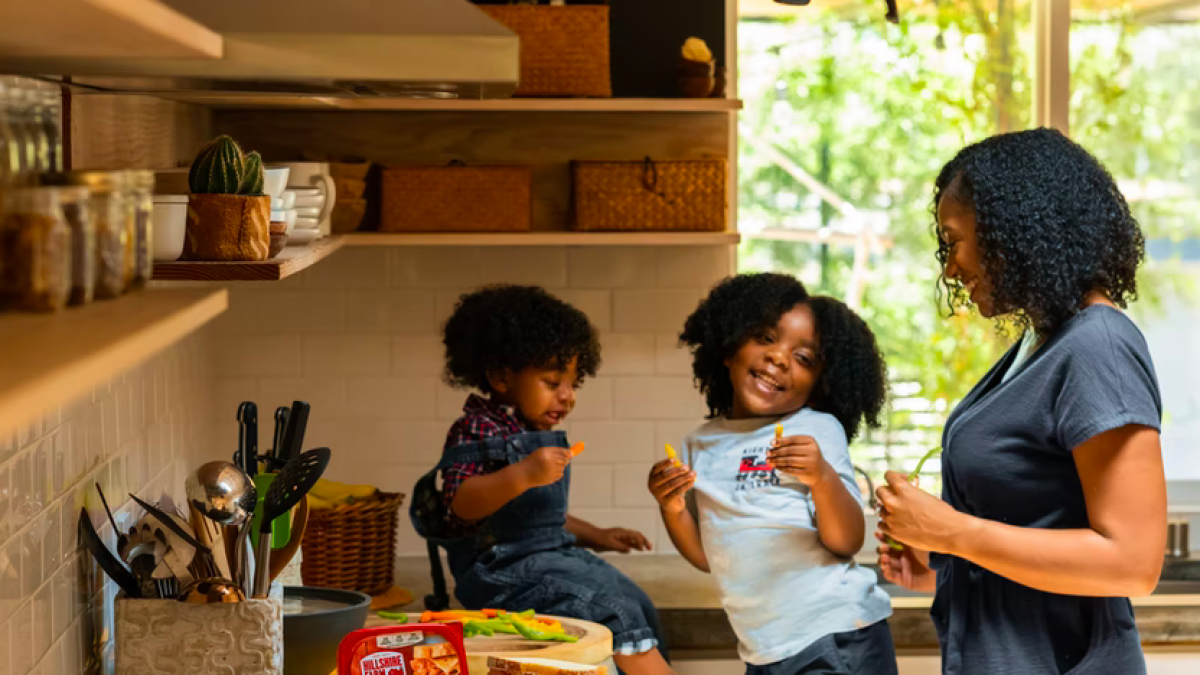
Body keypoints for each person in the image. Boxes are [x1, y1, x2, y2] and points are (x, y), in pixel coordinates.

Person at [875, 128, 1166, 675]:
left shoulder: (1096, 345)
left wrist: (952, 533)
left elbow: (1133, 563)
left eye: (953, 240)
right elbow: (1040, 528)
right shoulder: (1041, 342)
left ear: (1012, 233)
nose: (950, 268)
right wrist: (942, 563)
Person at [409, 284, 673, 675]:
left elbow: (534, 517)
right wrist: (523, 473)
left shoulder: (530, 428)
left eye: (573, 384)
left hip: (550, 559)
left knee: (634, 600)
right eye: (553, 383)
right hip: (499, 570)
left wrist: (599, 535)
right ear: (501, 377)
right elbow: (460, 503)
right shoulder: (477, 429)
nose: (567, 397)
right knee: (612, 609)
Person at [649, 273, 896, 675]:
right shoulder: (699, 445)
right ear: (728, 347)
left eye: (803, 358)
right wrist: (672, 508)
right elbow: (709, 557)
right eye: (765, 338)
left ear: (818, 384)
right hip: (763, 649)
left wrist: (822, 479)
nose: (779, 358)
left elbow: (847, 541)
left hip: (835, 634)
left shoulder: (816, 429)